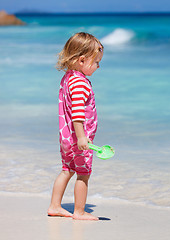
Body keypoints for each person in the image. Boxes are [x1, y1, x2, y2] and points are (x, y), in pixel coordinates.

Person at [47, 32, 103, 220]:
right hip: (79, 139)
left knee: (67, 170)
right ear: (82, 60)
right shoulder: (80, 83)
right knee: (83, 174)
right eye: (96, 62)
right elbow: (78, 114)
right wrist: (81, 138)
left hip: (66, 137)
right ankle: (79, 211)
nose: (98, 66)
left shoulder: (68, 78)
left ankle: (55, 206)